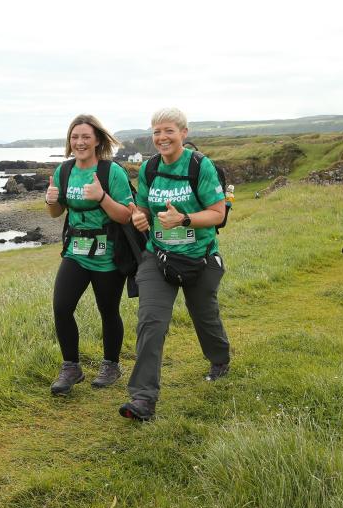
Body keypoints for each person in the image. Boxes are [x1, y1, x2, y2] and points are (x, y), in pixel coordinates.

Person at [119, 108, 230, 421]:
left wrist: (183, 218)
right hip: (159, 256)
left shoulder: (200, 166)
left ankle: (220, 358)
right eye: (156, 132)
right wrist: (139, 217)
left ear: (184, 132)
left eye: (168, 130)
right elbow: (140, 210)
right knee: (151, 321)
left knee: (204, 316)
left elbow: (218, 213)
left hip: (200, 257)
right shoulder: (150, 168)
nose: (161, 138)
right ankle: (143, 399)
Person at [45, 114, 135, 394]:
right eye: (74, 137)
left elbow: (126, 216)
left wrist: (101, 197)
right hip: (75, 251)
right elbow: (57, 212)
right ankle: (71, 367)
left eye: (85, 137)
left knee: (108, 311)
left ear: (97, 140)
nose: (79, 142)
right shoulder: (64, 171)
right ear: (69, 142)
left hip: (107, 254)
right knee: (62, 307)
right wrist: (50, 202)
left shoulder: (112, 172)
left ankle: (111, 365)